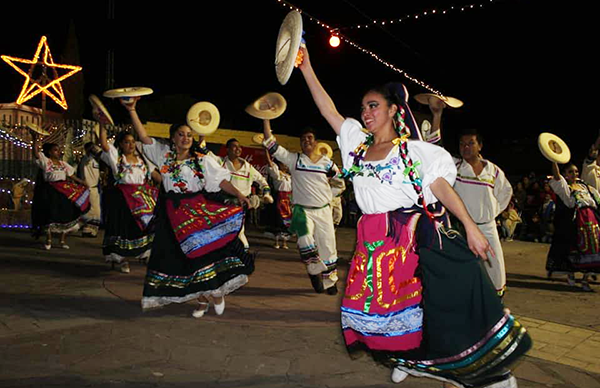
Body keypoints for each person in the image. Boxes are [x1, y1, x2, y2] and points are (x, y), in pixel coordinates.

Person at [297, 44, 530, 388]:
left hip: (412, 236)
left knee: (441, 305)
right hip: (374, 243)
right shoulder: (356, 146)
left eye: (373, 106)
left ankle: (487, 375)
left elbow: (439, 187)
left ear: (393, 110)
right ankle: (414, 360)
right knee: (383, 317)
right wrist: (306, 68)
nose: (366, 112)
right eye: (363, 107)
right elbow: (327, 108)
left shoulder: (412, 151)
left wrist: (470, 227)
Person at [122, 97, 254, 317]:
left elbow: (221, 181)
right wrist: (132, 110)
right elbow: (143, 136)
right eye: (181, 134)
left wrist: (239, 194)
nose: (185, 138)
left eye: (189, 135)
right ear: (173, 138)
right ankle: (201, 300)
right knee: (179, 259)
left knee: (204, 254)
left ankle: (216, 292)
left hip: (196, 210)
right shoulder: (163, 155)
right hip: (171, 214)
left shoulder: (202, 160)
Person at [262, 119, 343, 295]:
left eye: (309, 138)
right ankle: (314, 273)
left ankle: (330, 281)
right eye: (303, 139)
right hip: (301, 210)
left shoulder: (327, 163)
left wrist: (329, 196)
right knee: (305, 241)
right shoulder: (294, 160)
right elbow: (272, 144)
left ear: (315, 141)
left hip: (323, 210)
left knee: (328, 246)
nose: (306, 141)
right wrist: (266, 118)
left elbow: (339, 183)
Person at [96, 109, 158, 273]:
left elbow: (154, 175)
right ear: (121, 144)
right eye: (126, 142)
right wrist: (102, 124)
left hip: (142, 197)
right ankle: (121, 259)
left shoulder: (143, 159)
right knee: (123, 228)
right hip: (122, 198)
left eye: (132, 142)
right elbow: (103, 143)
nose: (130, 145)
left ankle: (143, 253)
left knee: (144, 225)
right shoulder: (116, 157)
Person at [453, 128, 513, 297]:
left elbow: (506, 193)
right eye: (462, 144)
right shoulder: (455, 167)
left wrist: (491, 212)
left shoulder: (493, 171)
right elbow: (433, 148)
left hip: (488, 227)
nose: (466, 147)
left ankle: (495, 308)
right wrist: (437, 115)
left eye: (471, 143)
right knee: (463, 269)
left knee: (496, 268)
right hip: (462, 229)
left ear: (480, 146)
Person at [30, 133, 90, 250]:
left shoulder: (63, 164)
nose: (59, 152)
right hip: (50, 191)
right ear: (50, 152)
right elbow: (36, 154)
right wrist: (34, 139)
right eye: (56, 150)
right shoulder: (46, 162)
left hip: (64, 190)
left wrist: (82, 183)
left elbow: (72, 175)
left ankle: (62, 240)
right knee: (50, 215)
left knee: (66, 213)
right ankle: (48, 240)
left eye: (59, 150)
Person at [546, 162, 600, 292]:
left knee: (594, 250)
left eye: (576, 172)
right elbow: (557, 176)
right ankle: (571, 275)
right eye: (570, 172)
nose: (574, 174)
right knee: (573, 250)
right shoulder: (565, 187)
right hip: (576, 222)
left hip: (591, 220)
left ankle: (585, 279)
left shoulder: (584, 185)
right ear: (565, 174)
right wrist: (554, 159)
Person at [218, 138, 273, 250]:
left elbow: (263, 182)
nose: (238, 149)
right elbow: (203, 152)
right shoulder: (220, 163)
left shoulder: (248, 168)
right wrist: (202, 134)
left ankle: (243, 254)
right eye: (234, 146)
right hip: (222, 205)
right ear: (227, 149)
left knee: (238, 231)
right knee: (223, 233)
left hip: (240, 207)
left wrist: (266, 195)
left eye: (239, 146)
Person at [265, 149, 292, 249]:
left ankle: (284, 242)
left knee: (286, 221)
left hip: (288, 200)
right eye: (283, 163)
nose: (285, 165)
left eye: (286, 164)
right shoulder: (277, 174)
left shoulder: (289, 176)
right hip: (279, 199)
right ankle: (276, 241)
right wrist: (266, 151)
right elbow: (269, 162)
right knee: (277, 220)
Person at [78, 142, 102, 237]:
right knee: (92, 210)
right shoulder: (86, 159)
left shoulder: (95, 160)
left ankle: (91, 230)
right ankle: (88, 230)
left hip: (95, 188)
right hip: (89, 187)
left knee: (95, 210)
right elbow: (81, 172)